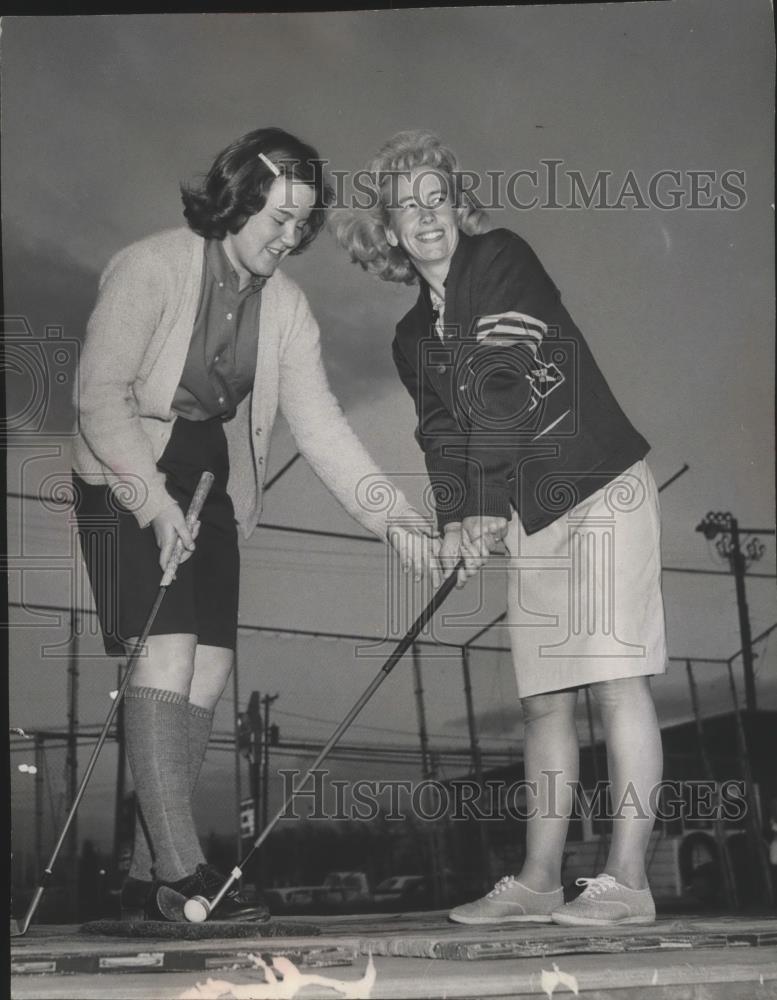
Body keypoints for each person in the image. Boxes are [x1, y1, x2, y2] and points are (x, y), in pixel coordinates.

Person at [71, 127, 437, 922]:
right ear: (233, 203)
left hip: (210, 469)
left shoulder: (288, 306)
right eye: (276, 218)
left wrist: (395, 516)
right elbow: (98, 398)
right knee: (164, 650)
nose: (289, 236)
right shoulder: (149, 268)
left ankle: (145, 877)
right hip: (124, 464)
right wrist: (155, 507)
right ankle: (182, 870)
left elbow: (321, 425)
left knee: (206, 668)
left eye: (302, 222)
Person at [334, 130, 667, 926]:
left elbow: (501, 376)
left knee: (617, 680)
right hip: (526, 514)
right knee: (544, 703)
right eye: (404, 206)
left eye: (434, 198)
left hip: (598, 486)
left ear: (457, 207)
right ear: (387, 230)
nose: (423, 215)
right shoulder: (412, 337)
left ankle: (626, 882)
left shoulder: (500, 259)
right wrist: (457, 523)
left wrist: (482, 505)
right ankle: (539, 880)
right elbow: (441, 435)